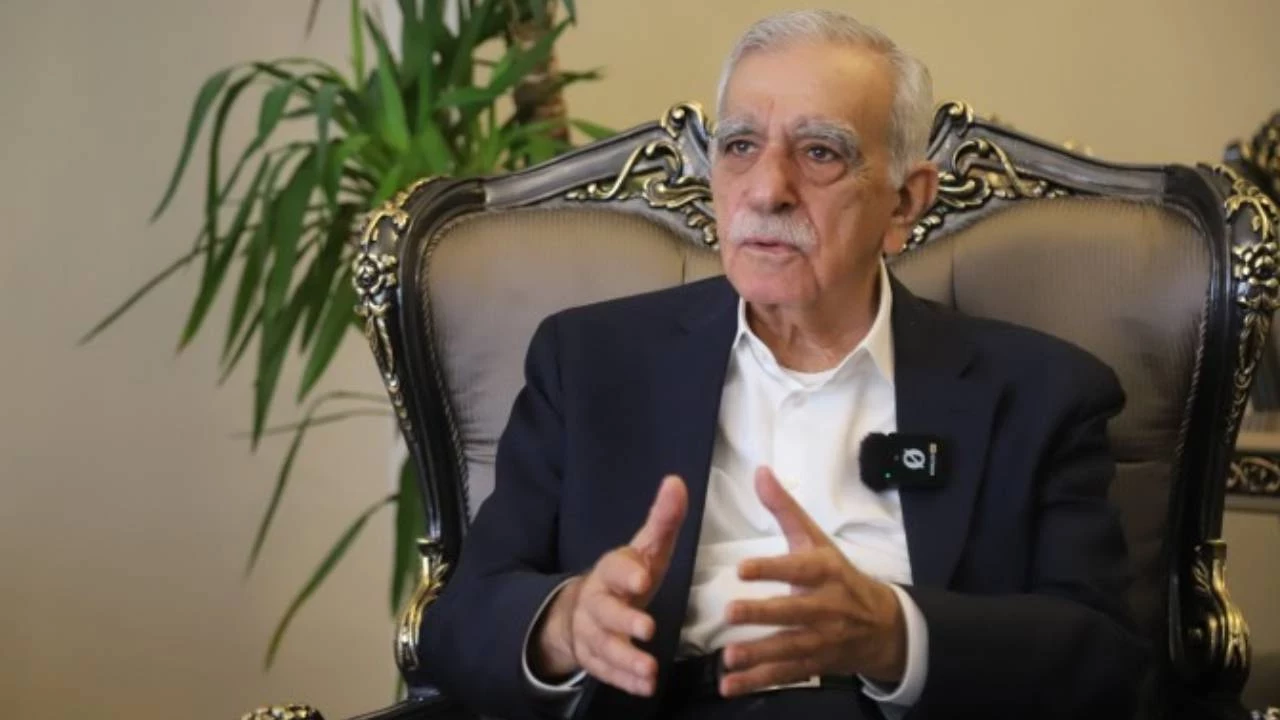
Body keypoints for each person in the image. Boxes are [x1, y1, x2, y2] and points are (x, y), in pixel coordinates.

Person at [420, 9, 1148, 720]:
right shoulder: (589, 364)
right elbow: (461, 620)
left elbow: (1108, 660)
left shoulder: (1039, 393)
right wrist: (565, 623)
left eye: (820, 152)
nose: (767, 190)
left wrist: (896, 636)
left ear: (904, 204)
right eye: (740, 145)